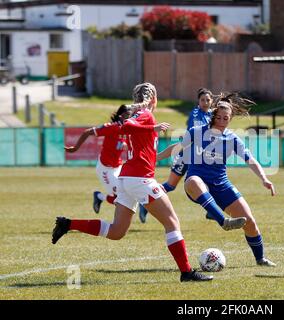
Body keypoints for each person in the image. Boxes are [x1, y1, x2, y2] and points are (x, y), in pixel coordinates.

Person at [52, 82, 213, 282]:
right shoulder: (146, 115)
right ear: (154, 99)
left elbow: (149, 155)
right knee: (172, 223)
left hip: (127, 179)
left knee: (116, 231)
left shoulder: (143, 115)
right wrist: (152, 125)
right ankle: (186, 272)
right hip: (139, 179)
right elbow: (128, 124)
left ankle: (68, 224)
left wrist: (178, 147)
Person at [181, 92, 277, 267]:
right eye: (219, 117)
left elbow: (251, 160)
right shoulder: (196, 131)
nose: (222, 121)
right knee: (192, 181)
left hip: (221, 185)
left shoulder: (232, 138)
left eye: (226, 118)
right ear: (213, 116)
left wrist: (264, 178)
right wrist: (156, 157)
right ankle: (221, 220)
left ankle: (260, 259)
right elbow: (178, 146)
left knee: (249, 222)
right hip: (197, 185)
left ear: (230, 119)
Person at [139, 88, 213, 223]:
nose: (205, 102)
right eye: (202, 100)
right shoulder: (196, 114)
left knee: (206, 180)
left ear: (212, 101)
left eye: (208, 100)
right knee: (171, 185)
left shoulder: (212, 114)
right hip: (187, 154)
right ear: (198, 101)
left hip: (198, 155)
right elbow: (198, 133)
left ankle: (210, 211)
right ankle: (145, 202)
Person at [65, 105, 132, 214]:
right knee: (119, 200)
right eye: (129, 116)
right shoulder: (111, 127)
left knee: (128, 193)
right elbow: (87, 132)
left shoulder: (129, 130)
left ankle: (100, 197)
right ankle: (99, 197)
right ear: (121, 116)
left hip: (118, 166)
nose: (132, 119)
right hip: (105, 169)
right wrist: (76, 148)